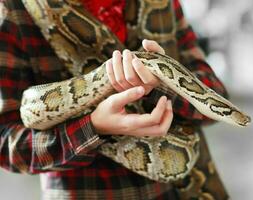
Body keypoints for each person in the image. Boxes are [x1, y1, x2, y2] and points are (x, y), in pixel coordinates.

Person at [0, 0, 229, 199]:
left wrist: (164, 85)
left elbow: (216, 98)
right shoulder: (13, 10)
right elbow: (7, 144)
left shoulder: (164, 4)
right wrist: (93, 127)